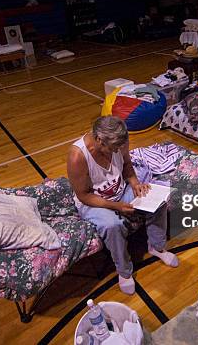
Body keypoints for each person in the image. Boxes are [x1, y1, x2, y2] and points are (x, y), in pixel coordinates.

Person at [67, 116, 178, 295]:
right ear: (98, 140)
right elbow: (83, 195)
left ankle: (156, 247)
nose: (119, 150)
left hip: (120, 190)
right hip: (93, 202)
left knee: (157, 200)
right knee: (113, 225)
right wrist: (116, 206)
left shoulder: (119, 141)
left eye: (120, 146)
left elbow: (127, 165)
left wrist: (134, 183)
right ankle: (124, 272)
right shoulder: (77, 156)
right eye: (114, 148)